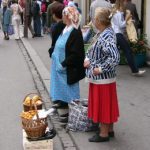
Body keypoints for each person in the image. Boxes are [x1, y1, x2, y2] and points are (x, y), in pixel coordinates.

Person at [84, 7, 120, 142]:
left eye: (94, 19)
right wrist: (88, 59)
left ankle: (103, 134)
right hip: (103, 78)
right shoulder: (105, 32)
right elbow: (95, 49)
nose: (93, 21)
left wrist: (100, 68)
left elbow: (115, 57)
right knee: (108, 104)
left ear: (99, 21)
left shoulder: (106, 35)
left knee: (104, 105)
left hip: (102, 78)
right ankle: (109, 130)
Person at [50, 6, 85, 111]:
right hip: (59, 63)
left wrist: (64, 64)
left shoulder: (75, 32)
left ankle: (72, 109)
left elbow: (77, 54)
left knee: (69, 86)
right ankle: (62, 102)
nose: (62, 17)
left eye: (64, 14)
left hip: (67, 66)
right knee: (61, 85)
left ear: (69, 17)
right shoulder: (65, 28)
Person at [111, 0, 145, 76]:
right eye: (125, 2)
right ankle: (135, 71)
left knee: (114, 53)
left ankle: (109, 71)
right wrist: (127, 19)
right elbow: (121, 25)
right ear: (122, 2)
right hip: (118, 34)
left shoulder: (115, 11)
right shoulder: (118, 13)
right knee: (128, 51)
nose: (126, 3)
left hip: (115, 34)